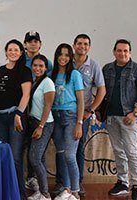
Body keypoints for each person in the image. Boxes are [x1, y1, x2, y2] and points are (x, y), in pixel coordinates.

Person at [102, 39, 137, 200]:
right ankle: (122, 182)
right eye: (119, 50)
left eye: (126, 51)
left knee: (131, 151)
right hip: (111, 117)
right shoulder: (107, 69)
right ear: (114, 52)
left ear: (130, 52)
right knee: (118, 151)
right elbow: (102, 90)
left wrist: (135, 113)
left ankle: (136, 185)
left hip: (129, 117)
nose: (122, 53)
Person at [0, 39, 32, 199]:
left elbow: (26, 94)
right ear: (6, 52)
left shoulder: (24, 71)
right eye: (10, 49)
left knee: (15, 157)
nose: (13, 52)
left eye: (16, 50)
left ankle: (19, 194)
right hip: (0, 118)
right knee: (3, 156)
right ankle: (4, 192)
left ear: (21, 53)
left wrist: (19, 114)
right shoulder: (0, 70)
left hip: (16, 117)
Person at [72, 34, 106, 196]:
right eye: (79, 43)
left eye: (86, 44)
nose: (82, 47)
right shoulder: (65, 61)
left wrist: (90, 110)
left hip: (82, 116)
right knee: (63, 148)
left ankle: (78, 183)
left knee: (78, 148)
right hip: (64, 112)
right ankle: (63, 182)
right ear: (74, 45)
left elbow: (102, 90)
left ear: (89, 47)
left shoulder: (93, 66)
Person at [51, 43, 84, 200]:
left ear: (70, 57)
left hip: (71, 117)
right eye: (60, 54)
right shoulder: (52, 74)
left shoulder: (75, 74)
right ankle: (66, 188)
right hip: (55, 117)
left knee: (70, 155)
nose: (63, 58)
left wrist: (79, 123)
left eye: (66, 55)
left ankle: (75, 191)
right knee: (61, 154)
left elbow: (81, 101)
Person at [27, 55, 55, 200]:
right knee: (40, 158)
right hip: (33, 122)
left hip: (44, 124)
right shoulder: (34, 81)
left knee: (35, 158)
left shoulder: (48, 82)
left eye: (41, 66)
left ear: (46, 68)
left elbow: (48, 105)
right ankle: (41, 190)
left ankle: (45, 193)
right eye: (35, 65)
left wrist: (41, 126)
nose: (37, 68)